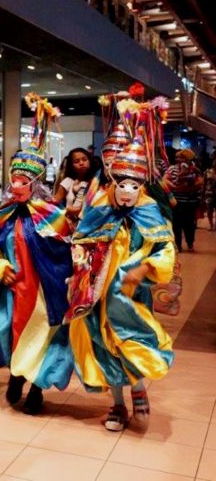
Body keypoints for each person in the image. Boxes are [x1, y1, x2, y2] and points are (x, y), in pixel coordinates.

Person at [0, 94, 74, 415]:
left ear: (34, 183)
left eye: (22, 181)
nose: (16, 185)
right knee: (4, 330)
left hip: (44, 292)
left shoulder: (53, 214)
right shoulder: (3, 213)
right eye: (13, 179)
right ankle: (16, 375)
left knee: (43, 337)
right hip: (12, 289)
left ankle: (36, 389)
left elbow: (64, 253)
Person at [69, 135, 175, 432]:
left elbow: (165, 248)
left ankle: (138, 389)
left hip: (130, 295)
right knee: (103, 345)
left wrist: (144, 268)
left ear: (142, 187)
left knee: (132, 340)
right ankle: (117, 403)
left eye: (134, 186)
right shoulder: (99, 205)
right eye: (122, 185)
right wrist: (82, 270)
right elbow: (81, 240)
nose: (127, 192)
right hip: (97, 294)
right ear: (112, 183)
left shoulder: (150, 209)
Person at [164, 148, 204, 251]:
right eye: (177, 157)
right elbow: (165, 180)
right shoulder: (172, 169)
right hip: (177, 202)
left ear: (187, 159)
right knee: (176, 224)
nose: (178, 159)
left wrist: (189, 188)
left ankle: (190, 243)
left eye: (181, 157)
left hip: (190, 202)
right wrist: (174, 186)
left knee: (189, 224)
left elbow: (200, 182)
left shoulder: (195, 169)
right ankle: (178, 245)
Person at [53, 148, 100, 221]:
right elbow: (54, 202)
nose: (81, 163)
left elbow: (92, 207)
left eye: (84, 159)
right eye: (76, 161)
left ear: (90, 161)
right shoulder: (68, 181)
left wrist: (68, 210)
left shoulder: (96, 182)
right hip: (67, 223)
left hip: (88, 224)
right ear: (71, 165)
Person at [205, 166, 216, 231]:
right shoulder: (208, 172)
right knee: (209, 210)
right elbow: (204, 182)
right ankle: (211, 224)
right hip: (209, 193)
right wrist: (203, 194)